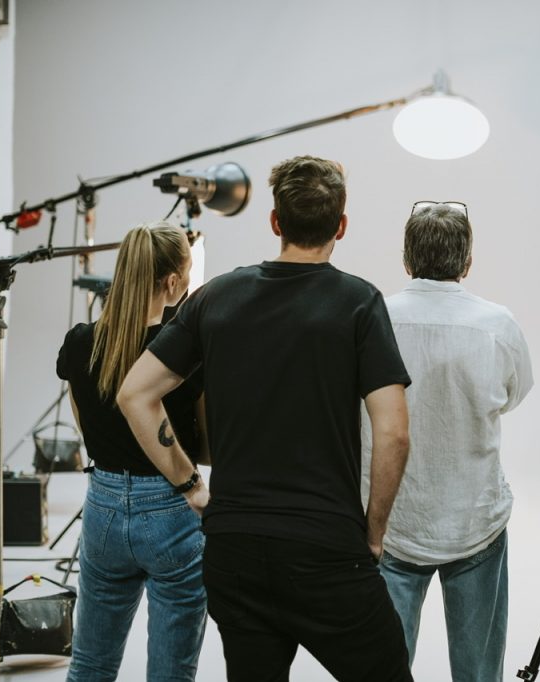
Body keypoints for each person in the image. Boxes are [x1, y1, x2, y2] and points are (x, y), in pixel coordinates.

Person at [116, 155, 414, 682]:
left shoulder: (216, 297)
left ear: (275, 222)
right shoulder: (359, 303)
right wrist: (374, 533)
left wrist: (191, 487)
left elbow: (135, 394)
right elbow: (393, 433)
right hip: (326, 547)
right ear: (340, 226)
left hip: (234, 551)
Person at [363, 202, 533, 680]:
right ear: (467, 261)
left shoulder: (373, 318)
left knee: (383, 670)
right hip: (474, 519)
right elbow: (512, 396)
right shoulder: (498, 324)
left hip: (390, 521)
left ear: (406, 259)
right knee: (479, 674)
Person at [56, 222, 206, 681]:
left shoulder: (82, 340)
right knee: (170, 672)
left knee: (90, 664)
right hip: (170, 508)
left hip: (101, 506)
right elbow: (204, 439)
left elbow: (83, 421)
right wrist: (195, 487)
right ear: (173, 282)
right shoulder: (183, 352)